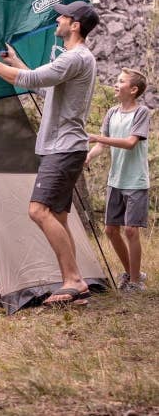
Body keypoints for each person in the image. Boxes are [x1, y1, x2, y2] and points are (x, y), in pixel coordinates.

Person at [0, 0, 99, 306]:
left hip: (63, 149)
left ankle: (72, 279)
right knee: (57, 215)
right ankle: (76, 282)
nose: (58, 20)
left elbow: (30, 81)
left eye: (62, 17)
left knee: (38, 211)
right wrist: (15, 62)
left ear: (75, 25)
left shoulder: (75, 58)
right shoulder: (76, 58)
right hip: (66, 147)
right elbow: (44, 87)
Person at [85, 68, 150, 292]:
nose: (115, 84)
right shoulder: (112, 113)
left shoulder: (141, 113)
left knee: (131, 230)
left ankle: (134, 283)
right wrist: (88, 156)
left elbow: (131, 142)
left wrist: (97, 136)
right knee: (111, 231)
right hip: (115, 181)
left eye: (120, 81)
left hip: (136, 182)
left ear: (133, 90)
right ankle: (132, 273)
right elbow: (101, 146)